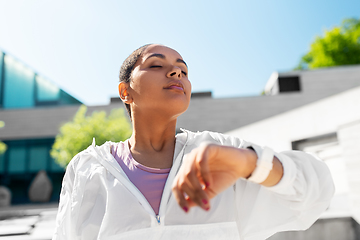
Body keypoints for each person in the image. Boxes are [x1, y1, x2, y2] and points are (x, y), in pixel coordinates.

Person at [53, 44, 335, 240]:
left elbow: (316, 191)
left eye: (183, 70)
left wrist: (250, 162)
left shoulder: (219, 151)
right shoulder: (88, 168)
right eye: (156, 65)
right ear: (125, 92)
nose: (176, 73)